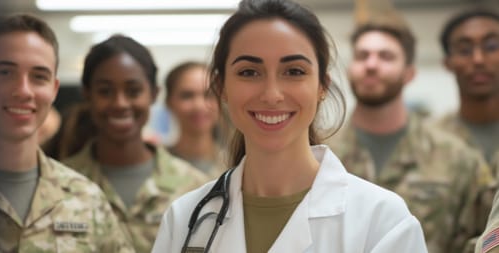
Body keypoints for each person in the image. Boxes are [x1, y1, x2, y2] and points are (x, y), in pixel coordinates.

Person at [151, 0, 426, 252]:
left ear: (322, 86)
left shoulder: (382, 221)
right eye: (249, 72)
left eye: (294, 71)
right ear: (221, 87)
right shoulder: (186, 219)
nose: (272, 94)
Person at [0, 14, 134, 252]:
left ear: (54, 89)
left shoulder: (86, 199)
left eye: (39, 76)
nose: (23, 91)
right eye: (5, 72)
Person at [328, 22, 495, 253]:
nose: (371, 64)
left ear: (409, 73)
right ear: (349, 69)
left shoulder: (459, 160)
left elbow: (484, 239)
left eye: (386, 56)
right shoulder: (320, 154)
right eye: (362, 56)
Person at [60, 35, 211, 252]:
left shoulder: (196, 189)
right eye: (105, 91)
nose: (120, 103)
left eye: (133, 91)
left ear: (154, 94)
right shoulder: (59, 186)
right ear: (87, 95)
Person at [436, 10, 499, 173]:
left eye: (491, 47)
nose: (478, 59)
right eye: (464, 50)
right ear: (447, 63)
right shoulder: (427, 140)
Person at [164, 61, 227, 176]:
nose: (199, 106)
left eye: (209, 95)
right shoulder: (158, 165)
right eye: (187, 96)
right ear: (169, 102)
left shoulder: (239, 164)